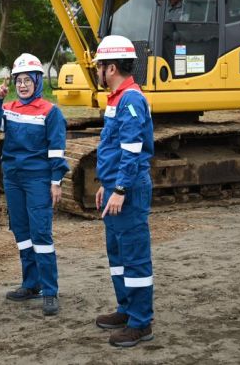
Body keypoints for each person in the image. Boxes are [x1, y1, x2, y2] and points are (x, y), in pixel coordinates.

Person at [0, 53, 69, 316]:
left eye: (27, 80)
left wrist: (56, 181)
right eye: (18, 80)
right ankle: (30, 284)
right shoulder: (9, 108)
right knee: (22, 232)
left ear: (37, 81)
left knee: (41, 234)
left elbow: (56, 149)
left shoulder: (50, 111)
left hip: (38, 179)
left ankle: (49, 291)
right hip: (13, 179)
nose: (22, 85)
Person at [92, 35, 155, 347]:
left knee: (134, 256)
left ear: (111, 67)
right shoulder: (117, 98)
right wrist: (106, 186)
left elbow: (131, 151)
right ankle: (127, 308)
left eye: (99, 66)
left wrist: (119, 189)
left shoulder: (130, 100)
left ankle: (141, 323)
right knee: (117, 254)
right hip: (115, 187)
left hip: (128, 189)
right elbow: (112, 148)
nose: (97, 72)